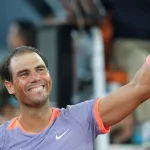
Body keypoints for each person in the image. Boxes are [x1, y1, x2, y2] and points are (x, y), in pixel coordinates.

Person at [0, 45, 150, 150]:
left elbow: (139, 87)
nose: (35, 78)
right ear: (10, 86)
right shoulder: (3, 139)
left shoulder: (81, 118)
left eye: (40, 70)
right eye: (24, 74)